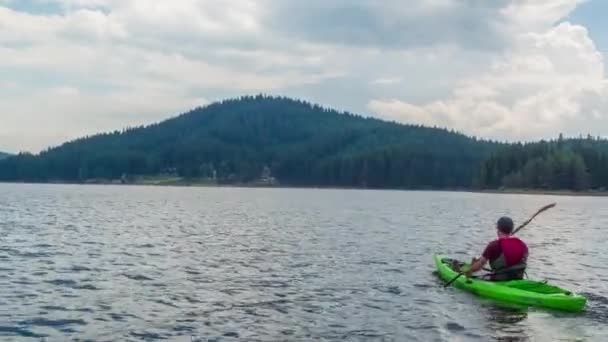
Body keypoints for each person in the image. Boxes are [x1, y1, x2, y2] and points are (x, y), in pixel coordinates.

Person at [465, 216, 528, 281]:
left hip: (499, 279)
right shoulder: (523, 245)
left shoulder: (493, 245)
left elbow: (481, 264)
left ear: (498, 229)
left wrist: (470, 270)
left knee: (476, 275)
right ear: (511, 229)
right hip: (518, 278)